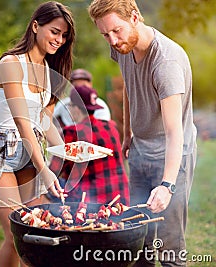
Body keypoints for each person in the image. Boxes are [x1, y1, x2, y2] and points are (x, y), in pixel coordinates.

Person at [88, 1, 197, 266]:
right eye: (105, 34)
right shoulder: (123, 46)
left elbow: (174, 133)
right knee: (139, 237)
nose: (112, 40)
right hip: (140, 151)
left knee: (169, 245)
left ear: (135, 17)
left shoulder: (166, 63)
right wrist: (128, 133)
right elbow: (128, 84)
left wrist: (167, 185)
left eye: (116, 31)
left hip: (172, 158)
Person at [0, 1, 75, 266]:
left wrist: (70, 152)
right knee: (16, 233)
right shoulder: (12, 64)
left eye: (64, 35)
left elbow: (42, 121)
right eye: (55, 31)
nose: (60, 39)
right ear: (35, 26)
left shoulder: (51, 73)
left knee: (36, 232)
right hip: (1, 152)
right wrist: (44, 167)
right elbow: (22, 123)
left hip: (30, 152)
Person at [49, 85, 129, 205]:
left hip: (89, 204)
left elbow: (53, 172)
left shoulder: (71, 133)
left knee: (50, 187)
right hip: (120, 199)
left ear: (76, 108)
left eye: (70, 106)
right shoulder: (111, 127)